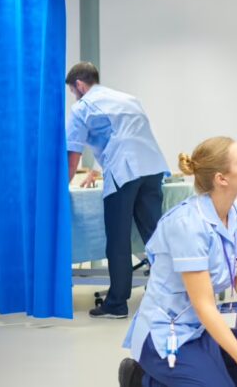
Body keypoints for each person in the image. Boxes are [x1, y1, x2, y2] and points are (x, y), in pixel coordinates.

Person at [119, 137, 237, 387]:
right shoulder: (188, 225)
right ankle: (141, 379)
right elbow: (204, 306)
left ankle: (224, 377)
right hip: (168, 330)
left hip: (202, 322)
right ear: (222, 179)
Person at [65, 62, 170, 318]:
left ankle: (116, 303)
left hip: (124, 172)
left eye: (72, 91)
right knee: (156, 237)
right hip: (153, 166)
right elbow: (128, 138)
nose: (73, 96)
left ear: (79, 85)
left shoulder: (83, 107)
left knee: (118, 239)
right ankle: (172, 296)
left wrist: (63, 188)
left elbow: (73, 153)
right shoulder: (129, 99)